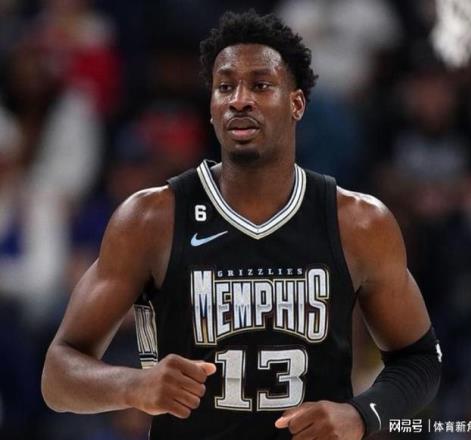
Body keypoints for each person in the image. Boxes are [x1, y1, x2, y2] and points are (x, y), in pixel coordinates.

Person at [42, 10, 442, 440]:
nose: (239, 99)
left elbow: (420, 359)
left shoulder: (358, 223)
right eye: (225, 86)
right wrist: (133, 385)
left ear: (297, 103)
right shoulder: (150, 219)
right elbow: (58, 374)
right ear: (212, 108)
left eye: (261, 85)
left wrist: (361, 415)